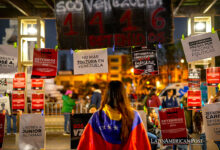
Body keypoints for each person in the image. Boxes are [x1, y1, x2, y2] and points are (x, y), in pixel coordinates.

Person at [78, 81, 151, 150]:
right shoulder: (134, 116)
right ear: (124, 95)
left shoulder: (97, 116)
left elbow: (84, 143)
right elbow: (144, 144)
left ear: (107, 95)